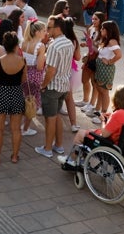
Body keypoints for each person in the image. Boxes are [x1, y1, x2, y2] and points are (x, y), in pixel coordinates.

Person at [57, 86, 124, 165]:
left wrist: (103, 121)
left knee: (81, 133)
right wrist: (111, 117)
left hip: (112, 144)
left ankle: (72, 160)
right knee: (88, 133)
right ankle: (82, 160)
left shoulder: (119, 114)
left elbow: (104, 134)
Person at [34, 16, 74, 158]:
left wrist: (43, 85)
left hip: (52, 87)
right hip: (64, 86)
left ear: (57, 28)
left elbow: (51, 70)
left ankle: (48, 148)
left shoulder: (54, 46)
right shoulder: (69, 42)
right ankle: (59, 145)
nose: (47, 30)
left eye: (49, 27)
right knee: (56, 117)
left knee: (50, 118)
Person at [0, 32, 27, 164]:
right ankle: (15, 156)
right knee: (16, 129)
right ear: (16, 45)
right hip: (16, 94)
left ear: (4, 46)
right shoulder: (22, 61)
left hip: (1, 94)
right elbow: (23, 79)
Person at [87, 20, 122, 124]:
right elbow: (100, 52)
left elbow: (119, 55)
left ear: (109, 30)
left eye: (103, 28)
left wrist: (109, 62)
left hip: (106, 69)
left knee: (104, 92)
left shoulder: (112, 41)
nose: (101, 29)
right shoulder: (106, 40)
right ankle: (97, 111)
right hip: (100, 67)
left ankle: (103, 115)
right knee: (99, 89)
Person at [20, 19, 46, 133]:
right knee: (31, 103)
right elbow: (40, 67)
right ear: (37, 32)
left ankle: (17, 124)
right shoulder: (40, 46)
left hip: (23, 74)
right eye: (43, 30)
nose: (46, 32)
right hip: (35, 76)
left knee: (23, 100)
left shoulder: (23, 43)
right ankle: (25, 128)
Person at [78, 12, 105, 114]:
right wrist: (86, 44)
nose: (93, 21)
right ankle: (85, 100)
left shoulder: (103, 32)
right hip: (89, 56)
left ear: (101, 20)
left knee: (94, 83)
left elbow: (100, 48)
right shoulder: (90, 29)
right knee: (84, 79)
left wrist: (91, 45)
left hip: (97, 58)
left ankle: (91, 103)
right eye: (92, 19)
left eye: (96, 19)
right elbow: (90, 43)